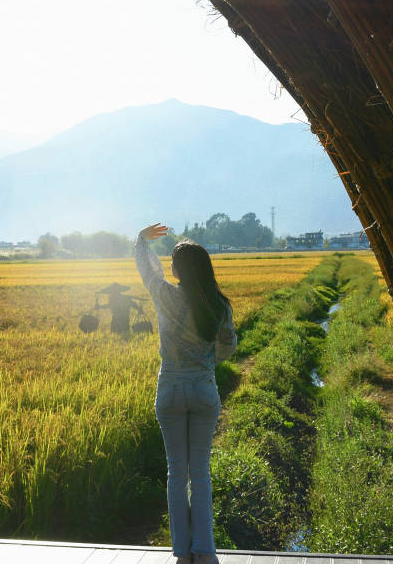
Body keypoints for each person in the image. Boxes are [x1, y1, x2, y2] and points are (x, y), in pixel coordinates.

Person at [135, 223, 236, 564]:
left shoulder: (165, 295)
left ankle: (181, 553)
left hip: (171, 390)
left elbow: (146, 272)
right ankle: (205, 551)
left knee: (177, 474)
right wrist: (206, 361)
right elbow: (229, 347)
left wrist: (141, 241)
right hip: (204, 389)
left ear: (176, 269)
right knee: (201, 473)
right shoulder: (220, 306)